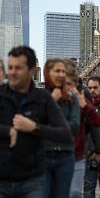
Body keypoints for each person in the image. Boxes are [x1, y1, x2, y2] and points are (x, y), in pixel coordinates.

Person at [0, 46, 73, 197]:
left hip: (32, 181)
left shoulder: (43, 99)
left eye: (18, 68)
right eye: (11, 67)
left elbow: (65, 134)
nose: (12, 72)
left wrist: (34, 127)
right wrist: (9, 131)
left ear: (32, 71)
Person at [43, 58, 81, 197]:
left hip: (65, 156)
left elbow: (74, 128)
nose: (60, 75)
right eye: (56, 71)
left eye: (63, 71)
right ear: (47, 73)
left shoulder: (71, 98)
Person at [66, 64, 100, 198]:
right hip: (55, 154)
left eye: (71, 83)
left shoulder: (82, 94)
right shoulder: (50, 96)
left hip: (78, 152)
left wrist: (98, 149)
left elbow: (95, 123)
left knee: (75, 192)